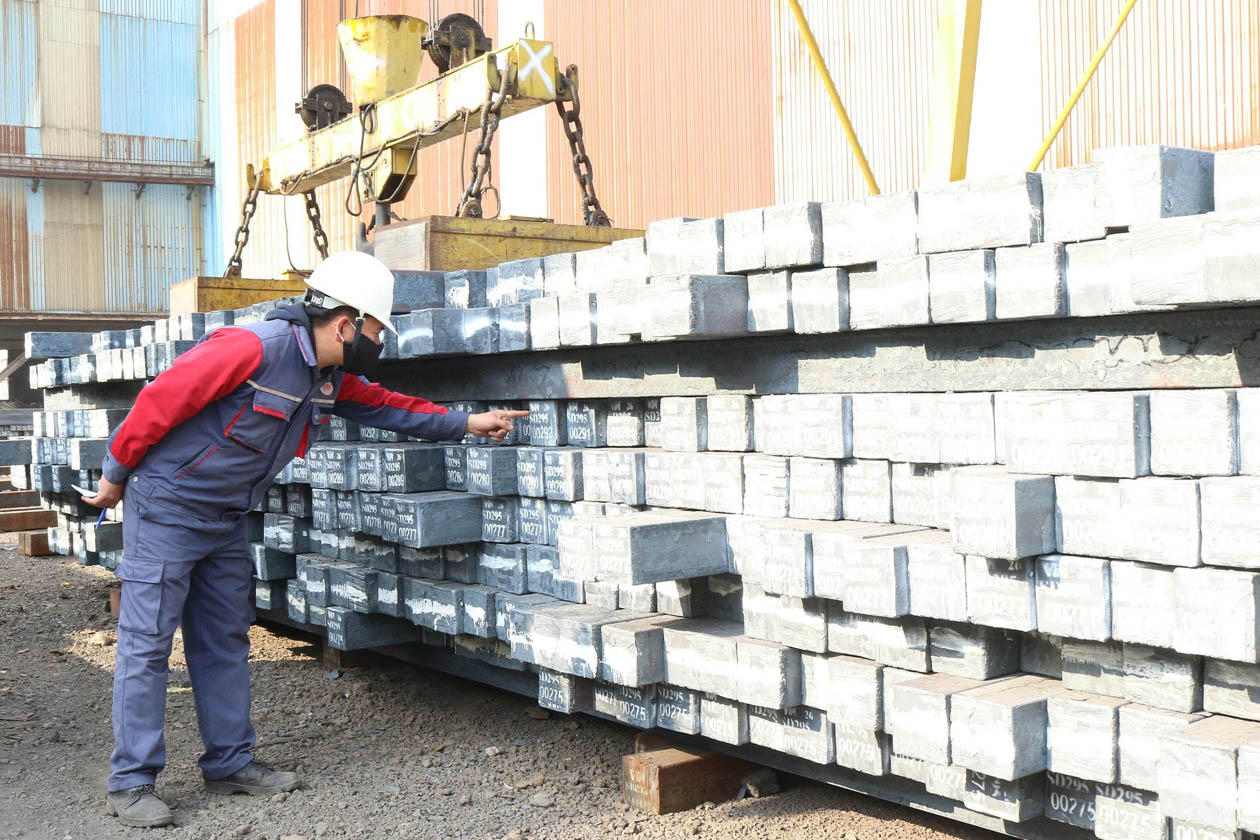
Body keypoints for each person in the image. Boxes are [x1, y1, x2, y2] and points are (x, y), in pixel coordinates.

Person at [84, 251, 526, 828]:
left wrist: (466, 422)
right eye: (375, 331)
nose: (378, 343)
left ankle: (230, 763)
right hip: (168, 508)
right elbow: (159, 401)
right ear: (344, 325)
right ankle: (131, 781)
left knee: (223, 638)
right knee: (147, 644)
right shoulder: (251, 349)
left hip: (224, 516)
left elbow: (388, 407)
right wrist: (115, 473)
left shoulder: (326, 378)